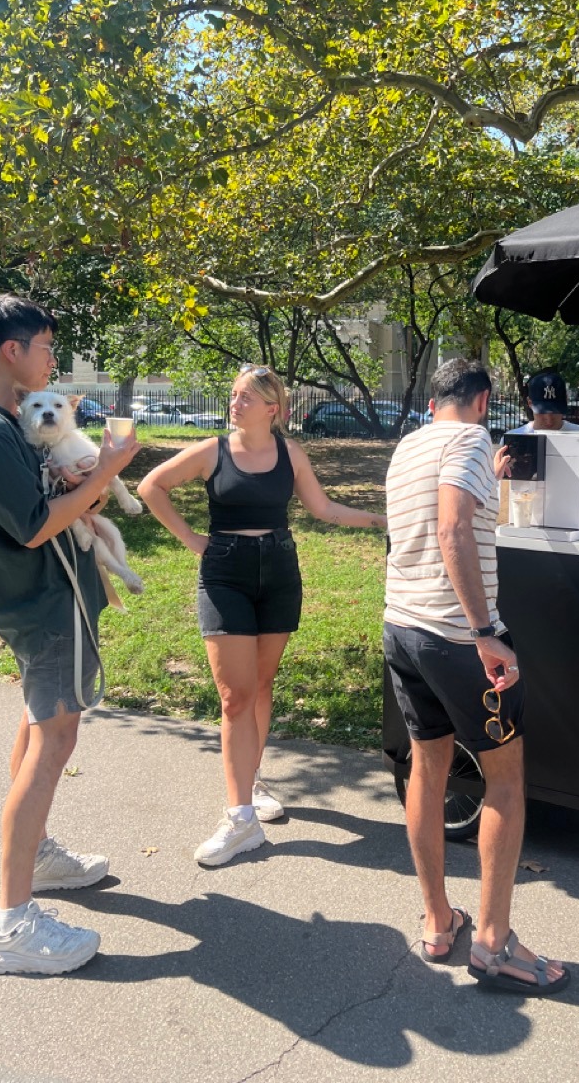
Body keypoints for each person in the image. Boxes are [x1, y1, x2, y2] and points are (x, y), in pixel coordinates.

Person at [0, 295, 141, 975]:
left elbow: (51, 507)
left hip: (48, 599)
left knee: (39, 730)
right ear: (13, 351)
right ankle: (10, 926)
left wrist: (89, 481)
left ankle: (37, 859)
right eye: (46, 348)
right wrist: (112, 469)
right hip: (40, 605)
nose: (52, 360)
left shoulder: (5, 422)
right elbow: (35, 526)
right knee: (55, 736)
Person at [137, 364, 387, 866]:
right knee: (235, 697)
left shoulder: (290, 454)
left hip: (278, 572)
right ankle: (239, 820)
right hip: (225, 573)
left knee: (262, 686)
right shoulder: (213, 451)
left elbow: (323, 508)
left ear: (273, 408)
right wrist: (192, 541)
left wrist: (381, 518)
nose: (235, 403)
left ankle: (250, 782)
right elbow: (151, 486)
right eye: (233, 395)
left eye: (246, 397)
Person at [384, 358, 569, 995]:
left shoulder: (410, 444)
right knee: (505, 776)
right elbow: (451, 528)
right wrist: (485, 632)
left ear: (434, 399)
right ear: (485, 401)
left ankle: (439, 922)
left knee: (427, 766)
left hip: (403, 626)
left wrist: (487, 482)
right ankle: (493, 943)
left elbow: (433, 516)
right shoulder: (470, 438)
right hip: (457, 637)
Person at [507, 370, 579, 434]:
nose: (549, 420)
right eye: (542, 412)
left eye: (555, 411)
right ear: (530, 403)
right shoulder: (513, 438)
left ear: (566, 400)